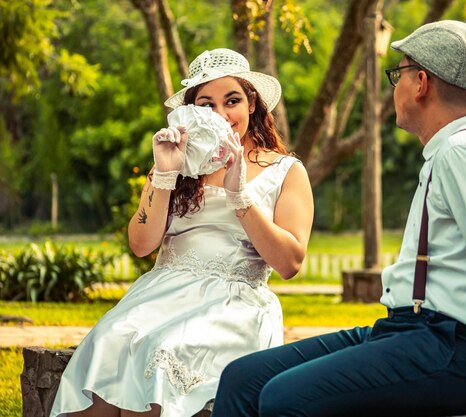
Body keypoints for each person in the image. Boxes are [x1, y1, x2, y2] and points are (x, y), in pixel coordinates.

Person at [210, 21, 466, 417]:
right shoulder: (449, 152)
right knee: (243, 379)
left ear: (421, 82)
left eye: (398, 73)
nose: (395, 86)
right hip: (412, 333)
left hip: (455, 351)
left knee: (284, 399)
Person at [50, 48, 314, 417]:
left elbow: (290, 262)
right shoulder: (176, 164)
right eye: (206, 105)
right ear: (190, 113)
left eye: (232, 100)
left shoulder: (286, 170)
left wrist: (240, 197)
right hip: (162, 291)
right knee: (112, 341)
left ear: (252, 103)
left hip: (232, 302)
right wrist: (164, 172)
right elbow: (142, 245)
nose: (220, 114)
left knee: (163, 352)